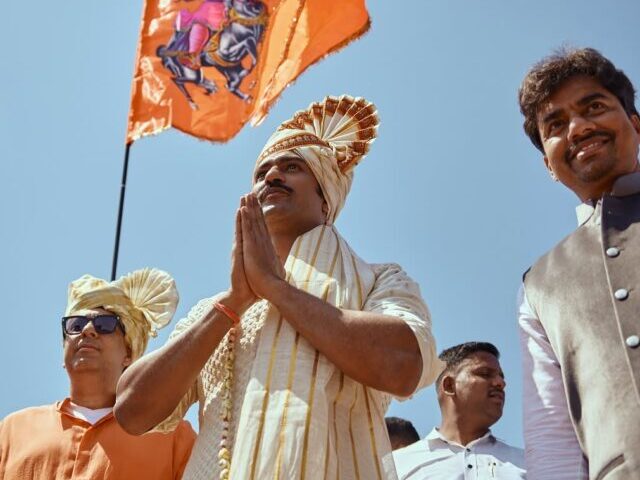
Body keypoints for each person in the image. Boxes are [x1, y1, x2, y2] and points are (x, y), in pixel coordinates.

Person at [115, 94, 444, 480]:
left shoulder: (378, 280)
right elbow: (131, 410)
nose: (272, 177)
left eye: (292, 167)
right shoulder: (218, 311)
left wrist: (275, 288)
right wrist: (236, 301)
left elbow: (404, 366)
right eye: (262, 173)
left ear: (326, 197)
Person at [518, 47, 640, 480]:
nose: (579, 127)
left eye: (594, 107)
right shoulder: (538, 285)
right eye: (556, 124)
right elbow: (552, 434)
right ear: (548, 164)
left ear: (636, 125)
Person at [0, 269, 196, 479]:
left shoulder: (171, 437)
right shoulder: (12, 430)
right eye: (75, 325)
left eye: (105, 325)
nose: (87, 330)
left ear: (129, 354)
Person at [393, 342, 525, 479]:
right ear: (449, 385)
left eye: (501, 376)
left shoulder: (528, 464)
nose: (501, 383)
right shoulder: (396, 465)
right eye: (485, 374)